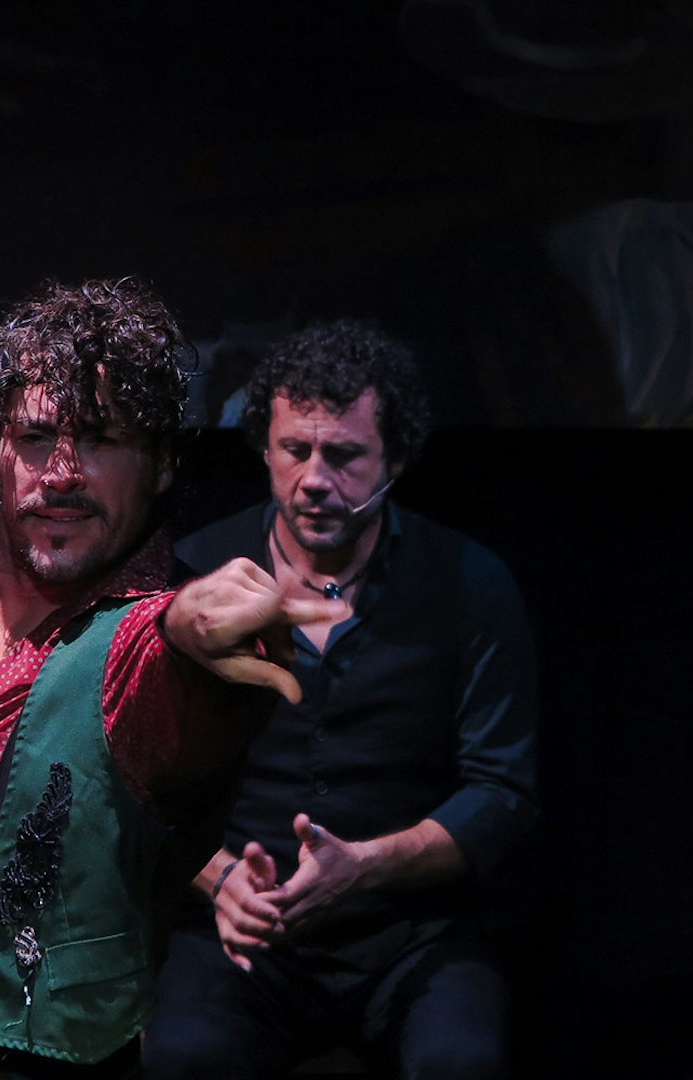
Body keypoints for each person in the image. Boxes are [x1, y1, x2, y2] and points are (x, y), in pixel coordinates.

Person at [0, 276, 312, 1078]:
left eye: (97, 439)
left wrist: (191, 632)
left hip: (51, 1055)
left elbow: (166, 681)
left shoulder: (141, 640)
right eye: (34, 438)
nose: (59, 472)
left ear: (161, 463)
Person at [140, 319, 539, 1080]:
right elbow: (128, 775)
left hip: (412, 934)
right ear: (264, 447)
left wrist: (366, 865)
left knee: (461, 1060)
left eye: (345, 456)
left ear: (394, 458)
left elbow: (503, 793)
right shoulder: (194, 576)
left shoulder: (469, 583)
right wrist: (218, 877)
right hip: (239, 933)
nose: (315, 479)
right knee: (185, 1057)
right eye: (296, 451)